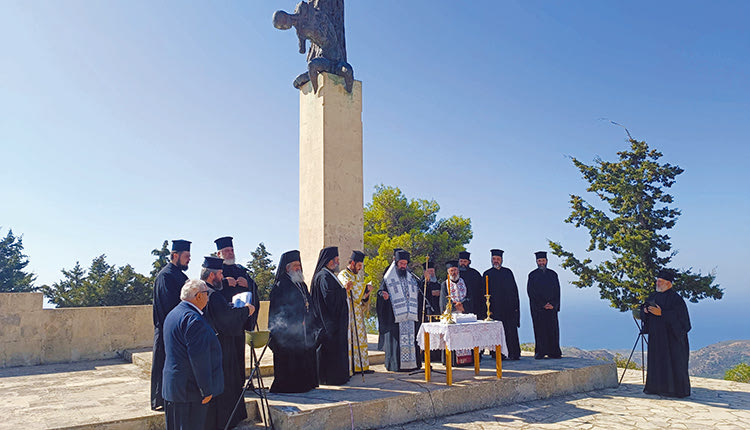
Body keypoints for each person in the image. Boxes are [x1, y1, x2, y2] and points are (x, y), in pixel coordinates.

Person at [200, 257, 255, 430]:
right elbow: (227, 321)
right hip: (222, 347)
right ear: (211, 276)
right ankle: (226, 421)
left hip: (211, 346)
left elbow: (220, 314)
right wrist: (246, 310)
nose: (223, 277)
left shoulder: (204, 292)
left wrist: (230, 306)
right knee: (226, 386)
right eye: (220, 273)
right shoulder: (214, 295)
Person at [162, 279, 223, 430]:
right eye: (206, 293)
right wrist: (206, 390)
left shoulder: (173, 314)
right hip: (190, 391)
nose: (208, 297)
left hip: (174, 387)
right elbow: (199, 360)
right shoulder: (194, 320)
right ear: (198, 296)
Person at [268, 250, 322, 393]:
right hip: (287, 332)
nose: (299, 268)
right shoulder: (281, 285)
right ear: (287, 268)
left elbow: (308, 303)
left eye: (299, 265)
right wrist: (297, 319)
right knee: (290, 360)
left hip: (303, 329)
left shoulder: (301, 284)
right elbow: (279, 310)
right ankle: (291, 386)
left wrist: (309, 318)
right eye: (295, 265)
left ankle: (306, 383)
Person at [152, 239, 191, 411]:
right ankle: (158, 399)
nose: (189, 259)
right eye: (186, 256)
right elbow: (169, 306)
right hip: (167, 330)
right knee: (162, 363)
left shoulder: (181, 277)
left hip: (178, 330)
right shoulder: (165, 276)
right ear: (175, 256)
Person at [641, 269, 691, 398]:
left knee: (674, 364)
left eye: (660, 281)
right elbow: (643, 308)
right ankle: (655, 388)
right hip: (656, 337)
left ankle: (674, 390)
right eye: (657, 281)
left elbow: (683, 321)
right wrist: (645, 310)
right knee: (656, 363)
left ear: (668, 283)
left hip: (672, 339)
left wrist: (662, 313)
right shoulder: (653, 296)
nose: (657, 283)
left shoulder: (676, 299)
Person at [310, 246, 351, 385]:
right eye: (336, 260)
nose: (337, 263)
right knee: (330, 352)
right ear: (328, 260)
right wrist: (344, 291)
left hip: (334, 323)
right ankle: (331, 378)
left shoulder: (329, 275)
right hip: (329, 323)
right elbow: (329, 298)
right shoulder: (323, 276)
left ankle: (339, 376)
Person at [376, 249, 422, 372]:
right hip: (395, 316)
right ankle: (396, 365)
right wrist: (383, 295)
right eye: (401, 263)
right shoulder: (388, 277)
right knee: (397, 342)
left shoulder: (410, 277)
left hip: (409, 317)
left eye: (405, 264)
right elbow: (381, 291)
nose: (403, 266)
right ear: (396, 263)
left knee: (411, 340)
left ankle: (412, 365)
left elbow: (419, 290)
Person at [337, 250, 373, 375]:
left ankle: (362, 366)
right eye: (359, 266)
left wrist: (366, 294)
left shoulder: (356, 276)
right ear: (352, 263)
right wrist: (363, 288)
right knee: (352, 340)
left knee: (360, 338)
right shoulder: (343, 275)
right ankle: (353, 367)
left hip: (357, 313)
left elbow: (360, 296)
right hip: (349, 313)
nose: (360, 268)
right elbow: (348, 288)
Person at [214, 236, 260, 331]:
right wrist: (225, 282)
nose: (230, 253)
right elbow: (209, 287)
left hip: (241, 319)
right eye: (227, 251)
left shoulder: (240, 269)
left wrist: (248, 284)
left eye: (232, 250)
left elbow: (255, 288)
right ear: (219, 254)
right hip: (224, 320)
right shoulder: (215, 270)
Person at [483, 249, 521, 360]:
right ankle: (498, 354)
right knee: (498, 333)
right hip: (495, 309)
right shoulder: (487, 274)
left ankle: (514, 353)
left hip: (509, 309)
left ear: (502, 260)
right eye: (494, 259)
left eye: (498, 259)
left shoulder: (508, 272)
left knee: (511, 332)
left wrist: (516, 308)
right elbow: (483, 294)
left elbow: (514, 291)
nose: (496, 261)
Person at [527, 251, 562, 359]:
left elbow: (557, 291)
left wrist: (553, 305)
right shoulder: (532, 275)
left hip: (551, 308)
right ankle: (540, 352)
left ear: (546, 261)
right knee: (540, 330)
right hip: (538, 309)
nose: (541, 262)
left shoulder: (553, 274)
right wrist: (542, 304)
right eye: (539, 261)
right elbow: (531, 292)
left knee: (553, 330)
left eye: (543, 260)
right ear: (536, 262)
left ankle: (554, 352)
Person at [440, 260, 473, 366]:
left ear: (458, 270)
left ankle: (467, 360)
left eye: (455, 270)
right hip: (452, 315)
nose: (453, 273)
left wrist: (463, 305)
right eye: (451, 271)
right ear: (448, 272)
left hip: (464, 314)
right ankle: (453, 361)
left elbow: (470, 297)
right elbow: (443, 301)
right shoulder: (445, 284)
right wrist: (455, 306)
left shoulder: (465, 282)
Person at [458, 251, 484, 317]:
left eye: (465, 261)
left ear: (469, 262)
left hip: (474, 305)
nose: (463, 263)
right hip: (459, 306)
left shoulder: (475, 274)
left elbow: (481, 290)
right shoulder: (455, 274)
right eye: (461, 261)